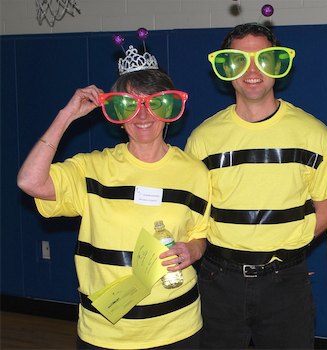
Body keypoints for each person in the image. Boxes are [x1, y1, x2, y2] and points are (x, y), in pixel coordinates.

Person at [16, 37, 210, 349]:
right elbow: (30, 181)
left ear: (170, 109)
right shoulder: (93, 168)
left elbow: (200, 233)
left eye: (154, 104)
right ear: (117, 115)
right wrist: (66, 115)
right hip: (105, 332)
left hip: (178, 328)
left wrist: (194, 250)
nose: (143, 117)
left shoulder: (194, 172)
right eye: (130, 106)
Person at [185, 23, 327, 349]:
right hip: (219, 281)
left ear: (277, 65)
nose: (252, 70)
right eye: (240, 60)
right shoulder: (203, 139)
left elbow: (326, 209)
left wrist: (284, 251)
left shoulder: (313, 134)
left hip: (286, 282)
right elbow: (194, 217)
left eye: (262, 59)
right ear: (226, 68)